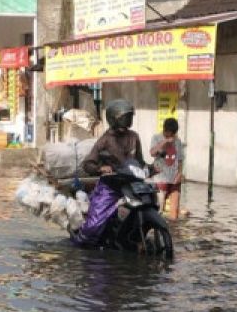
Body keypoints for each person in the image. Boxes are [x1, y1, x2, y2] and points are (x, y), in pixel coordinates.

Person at [75, 99, 144, 245]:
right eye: (125, 118)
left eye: (129, 118)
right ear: (114, 119)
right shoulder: (105, 140)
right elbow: (88, 164)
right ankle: (81, 240)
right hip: (110, 186)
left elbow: (140, 161)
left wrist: (151, 168)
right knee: (92, 228)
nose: (128, 121)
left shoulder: (134, 137)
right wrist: (100, 168)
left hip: (131, 185)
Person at [150, 117, 185, 219]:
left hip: (174, 178)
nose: (170, 136)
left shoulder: (177, 141)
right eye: (167, 133)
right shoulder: (156, 137)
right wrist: (164, 141)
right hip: (160, 178)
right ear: (164, 130)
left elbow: (180, 160)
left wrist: (179, 174)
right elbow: (152, 153)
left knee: (174, 212)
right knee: (159, 210)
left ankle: (173, 232)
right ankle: (158, 232)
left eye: (172, 134)